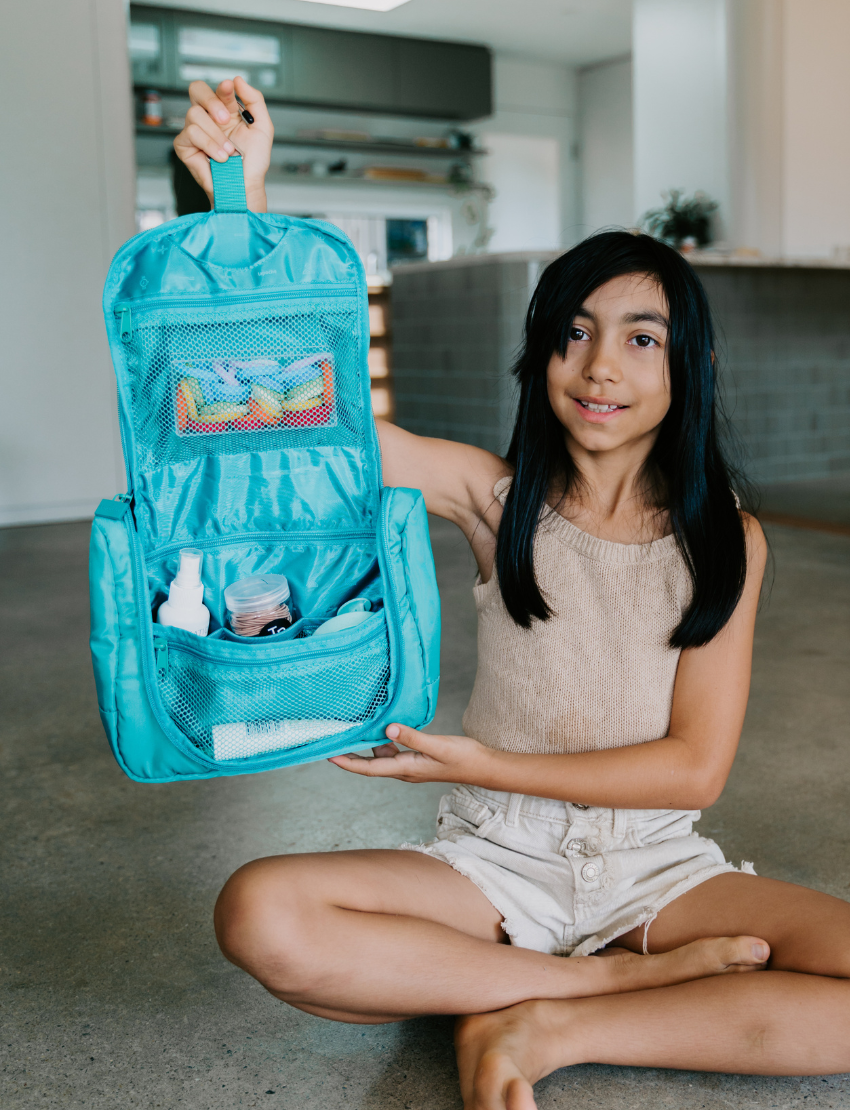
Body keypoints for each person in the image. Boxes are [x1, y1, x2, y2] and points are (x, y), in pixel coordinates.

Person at [174, 79, 850, 1110]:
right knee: (258, 912)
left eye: (639, 338)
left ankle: (537, 1018)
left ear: (688, 368)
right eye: (571, 332)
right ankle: (584, 983)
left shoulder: (728, 543)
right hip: (495, 863)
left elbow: (691, 768)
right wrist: (241, 202)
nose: (598, 366)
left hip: (655, 872)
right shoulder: (492, 499)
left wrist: (480, 756)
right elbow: (295, 407)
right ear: (539, 353)